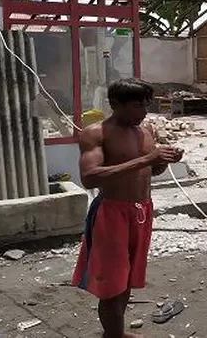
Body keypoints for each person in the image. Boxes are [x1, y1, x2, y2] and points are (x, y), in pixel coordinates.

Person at [72, 78, 183, 338]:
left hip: (142, 212)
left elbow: (149, 170)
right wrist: (146, 158)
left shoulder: (145, 131)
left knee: (126, 279)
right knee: (111, 285)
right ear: (114, 104)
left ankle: (116, 334)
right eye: (136, 106)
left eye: (146, 105)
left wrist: (163, 161)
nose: (144, 111)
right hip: (112, 213)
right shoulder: (96, 133)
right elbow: (89, 177)